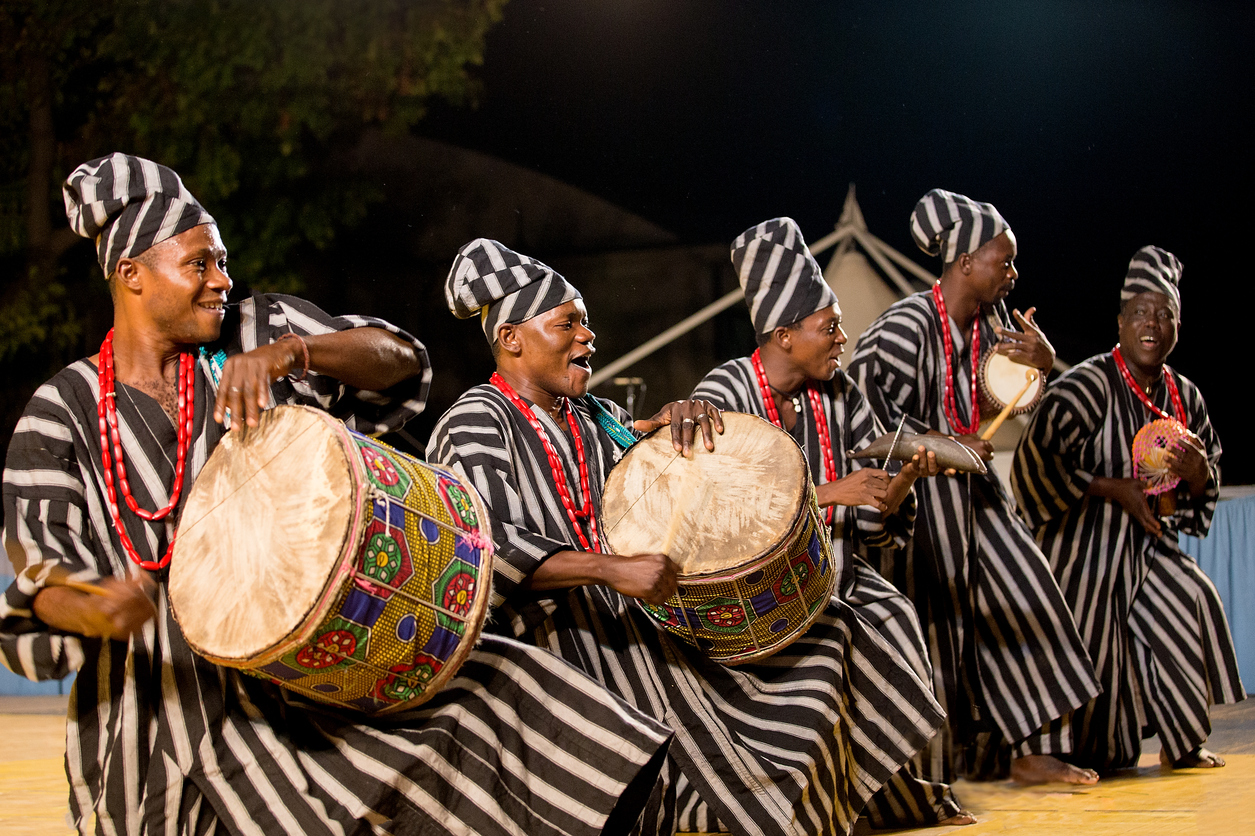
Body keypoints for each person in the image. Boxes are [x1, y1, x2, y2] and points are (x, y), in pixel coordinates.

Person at [0, 153, 672, 836]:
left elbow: (400, 359)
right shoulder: (62, 412)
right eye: (199, 264)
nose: (221, 281)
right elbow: (38, 582)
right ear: (131, 274)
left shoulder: (256, 332)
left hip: (305, 689)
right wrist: (95, 607)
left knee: (512, 696)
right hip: (151, 724)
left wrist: (297, 353)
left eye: (223, 262)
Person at [427, 237, 947, 836]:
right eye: (568, 322)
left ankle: (838, 809)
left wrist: (670, 424)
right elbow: (484, 550)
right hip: (561, 643)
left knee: (834, 634)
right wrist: (608, 570)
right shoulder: (474, 422)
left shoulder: (588, 415)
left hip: (632, 617)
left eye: (588, 323)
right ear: (511, 338)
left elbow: (641, 463)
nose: (587, 336)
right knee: (716, 746)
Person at [692, 217, 972, 828]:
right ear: (784, 334)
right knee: (834, 652)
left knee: (896, 617)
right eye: (830, 327)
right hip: (753, 596)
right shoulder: (724, 392)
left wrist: (892, 495)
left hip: (838, 571)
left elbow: (870, 501)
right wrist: (829, 493)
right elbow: (712, 508)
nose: (844, 338)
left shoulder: (839, 394)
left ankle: (894, 792)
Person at [846, 189, 1101, 785]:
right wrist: (939, 442)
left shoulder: (996, 329)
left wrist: (1042, 364)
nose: (1012, 274)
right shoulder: (905, 326)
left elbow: (1012, 401)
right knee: (937, 628)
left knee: (1031, 589)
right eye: (1003, 261)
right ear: (965, 263)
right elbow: (861, 420)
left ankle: (1033, 747)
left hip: (979, 497)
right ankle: (936, 764)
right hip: (918, 499)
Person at [1010, 245, 1244, 772]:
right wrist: (1112, 488)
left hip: (1145, 545)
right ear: (1120, 322)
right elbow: (1037, 462)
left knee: (1192, 597)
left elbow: (1208, 477)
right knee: (1084, 611)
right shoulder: (1086, 386)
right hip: (1079, 543)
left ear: (1177, 326)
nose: (1152, 324)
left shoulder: (1186, 397)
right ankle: (1046, 751)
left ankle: (1184, 742)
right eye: (1140, 311)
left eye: (1165, 314)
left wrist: (1197, 473)